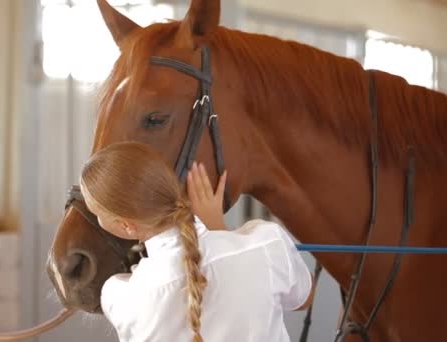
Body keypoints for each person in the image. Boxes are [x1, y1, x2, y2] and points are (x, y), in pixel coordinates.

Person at [79, 141, 316, 342]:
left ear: (127, 225)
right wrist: (218, 229)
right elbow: (303, 299)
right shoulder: (266, 244)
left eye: (97, 214)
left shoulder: (122, 297)